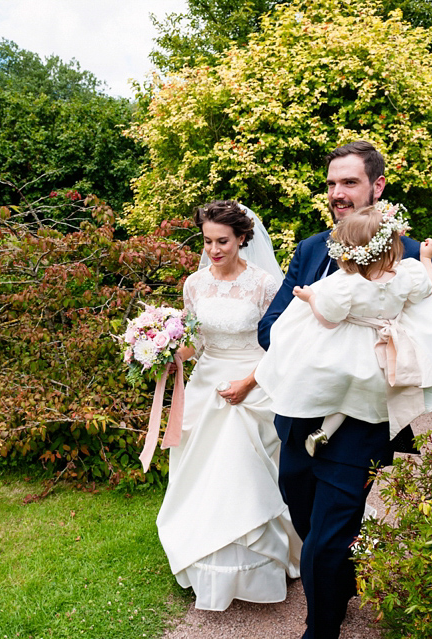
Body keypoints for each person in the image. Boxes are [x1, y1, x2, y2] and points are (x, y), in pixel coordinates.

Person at [258, 141, 432, 639]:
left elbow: (425, 334)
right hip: (299, 415)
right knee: (303, 513)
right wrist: (311, 337)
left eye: (350, 183)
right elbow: (269, 326)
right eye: (332, 183)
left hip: (363, 421)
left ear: (378, 187)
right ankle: (340, 578)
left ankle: (321, 627)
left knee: (327, 538)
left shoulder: (406, 254)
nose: (338, 193)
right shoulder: (311, 248)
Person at [156, 200, 300, 611]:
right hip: (205, 386)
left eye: (223, 241)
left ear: (242, 238)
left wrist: (248, 383)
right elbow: (194, 342)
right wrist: (161, 352)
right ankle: (205, 561)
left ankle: (258, 565)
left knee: (242, 473)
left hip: (252, 385)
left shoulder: (263, 285)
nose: (214, 249)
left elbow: (279, 345)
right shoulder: (194, 284)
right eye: (207, 241)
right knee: (201, 476)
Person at [255, 205, 432, 460]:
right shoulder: (407, 274)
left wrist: (310, 297)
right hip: (386, 352)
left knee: (340, 392)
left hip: (352, 352)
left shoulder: (347, 285)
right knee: (363, 394)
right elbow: (428, 285)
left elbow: (329, 319)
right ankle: (336, 429)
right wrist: (426, 258)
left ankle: (323, 430)